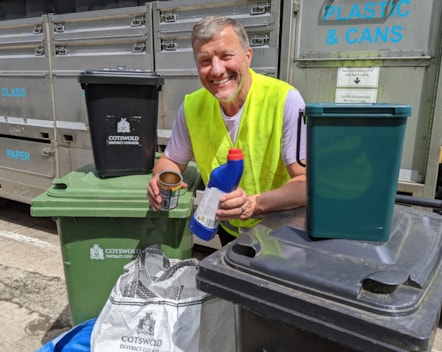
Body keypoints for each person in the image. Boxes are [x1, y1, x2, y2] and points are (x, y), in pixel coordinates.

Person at [148, 15, 307, 245]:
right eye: (205, 61)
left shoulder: (285, 100)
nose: (216, 70)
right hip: (229, 233)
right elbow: (171, 160)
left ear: (248, 56)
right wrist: (162, 179)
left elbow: (305, 184)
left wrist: (254, 203)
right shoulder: (192, 107)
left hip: (279, 234)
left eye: (226, 56)